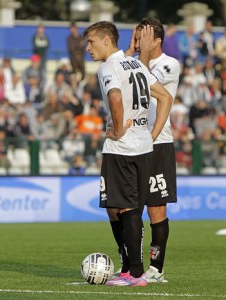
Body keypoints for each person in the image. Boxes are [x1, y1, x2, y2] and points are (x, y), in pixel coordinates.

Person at [83, 21, 173, 286]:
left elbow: (114, 97)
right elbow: (165, 97)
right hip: (143, 147)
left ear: (107, 41)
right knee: (117, 207)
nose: (88, 48)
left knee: (126, 207)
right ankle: (128, 267)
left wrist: (120, 129)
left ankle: (134, 273)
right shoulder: (137, 65)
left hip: (122, 149)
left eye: (92, 42)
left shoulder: (108, 67)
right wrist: (150, 134)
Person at [111, 17, 180, 283]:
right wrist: (128, 53)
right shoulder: (133, 59)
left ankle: (156, 268)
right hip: (130, 143)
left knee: (155, 210)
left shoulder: (169, 64)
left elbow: (146, 84)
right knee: (121, 207)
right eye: (137, 39)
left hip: (158, 142)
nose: (138, 44)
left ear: (156, 40)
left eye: (143, 39)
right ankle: (128, 264)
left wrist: (143, 55)